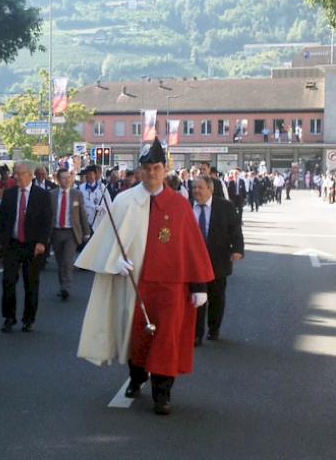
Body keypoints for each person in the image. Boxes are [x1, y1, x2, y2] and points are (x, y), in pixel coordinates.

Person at [75, 138, 214, 415]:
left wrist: (199, 286)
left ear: (165, 169)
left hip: (172, 287)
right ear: (140, 171)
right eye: (147, 168)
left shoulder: (179, 206)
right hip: (136, 283)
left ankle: (162, 393)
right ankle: (137, 377)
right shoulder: (125, 202)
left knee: (167, 339)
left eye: (157, 168)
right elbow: (107, 241)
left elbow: (192, 248)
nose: (152, 173)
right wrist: (116, 260)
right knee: (137, 336)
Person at [0, 162, 52, 333]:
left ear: (29, 174)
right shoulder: (10, 194)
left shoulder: (42, 195)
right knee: (8, 281)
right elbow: (2, 220)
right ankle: (9, 317)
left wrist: (42, 242)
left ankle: (28, 319)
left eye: (18, 173)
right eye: (14, 173)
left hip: (32, 245)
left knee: (31, 283)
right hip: (12, 244)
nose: (15, 176)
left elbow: (46, 221)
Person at [192, 176, 244, 346]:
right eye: (194, 188)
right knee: (196, 298)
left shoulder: (225, 207)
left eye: (200, 187)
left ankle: (213, 329)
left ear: (210, 189)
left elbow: (235, 229)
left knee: (216, 297)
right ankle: (196, 334)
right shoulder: (186, 206)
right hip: (194, 261)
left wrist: (237, 249)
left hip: (218, 259)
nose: (196, 191)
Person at [50, 168, 90, 301]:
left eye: (68, 177)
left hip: (71, 232)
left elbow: (82, 214)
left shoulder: (76, 194)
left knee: (68, 261)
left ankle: (66, 287)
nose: (66, 180)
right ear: (58, 179)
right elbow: (48, 215)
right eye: (63, 178)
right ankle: (62, 285)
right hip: (56, 231)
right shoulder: (52, 194)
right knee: (60, 261)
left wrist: (86, 232)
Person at [79, 165, 111, 232]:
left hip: (99, 222)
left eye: (90, 174)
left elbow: (109, 205)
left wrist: (101, 207)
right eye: (87, 174)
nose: (88, 176)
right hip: (86, 224)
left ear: (95, 175)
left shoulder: (102, 187)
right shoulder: (81, 188)